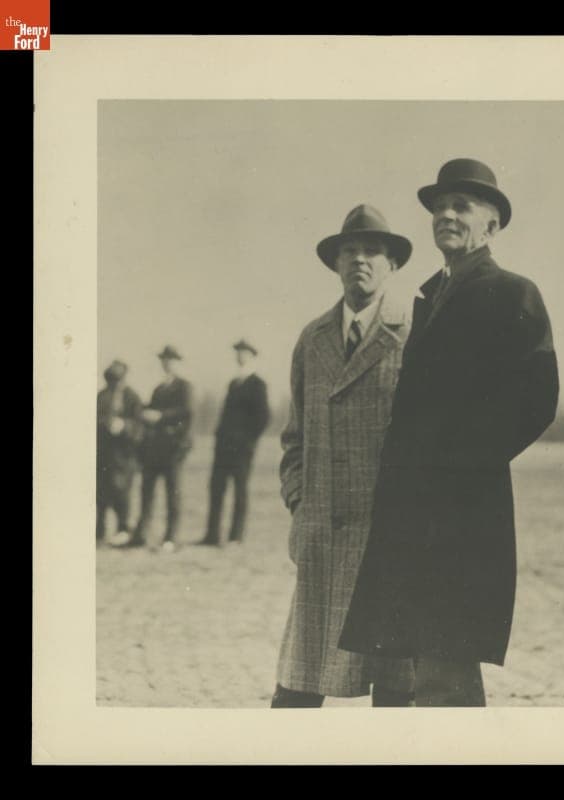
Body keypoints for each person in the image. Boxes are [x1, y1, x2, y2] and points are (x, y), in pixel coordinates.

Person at [339, 158, 559, 706]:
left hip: (462, 513)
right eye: (438, 207)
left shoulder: (512, 292)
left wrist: (460, 466)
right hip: (408, 510)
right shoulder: (428, 296)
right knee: (397, 665)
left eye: (461, 206)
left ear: (493, 224)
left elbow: (536, 401)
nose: (446, 215)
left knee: (446, 665)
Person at [273, 204, 417, 708]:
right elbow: (293, 440)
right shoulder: (312, 340)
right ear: (335, 263)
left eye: (373, 251)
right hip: (321, 538)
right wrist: (300, 504)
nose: (360, 259)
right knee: (297, 686)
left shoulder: (414, 331)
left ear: (392, 264)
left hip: (390, 537)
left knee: (396, 688)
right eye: (349, 250)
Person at [123, 346, 194, 552]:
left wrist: (160, 416)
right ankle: (141, 534)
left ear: (178, 363)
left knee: (173, 494)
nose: (166, 363)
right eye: (164, 360)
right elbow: (149, 410)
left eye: (170, 360)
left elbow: (186, 412)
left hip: (174, 448)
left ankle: (170, 538)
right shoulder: (158, 388)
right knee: (146, 491)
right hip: (154, 449)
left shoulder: (184, 387)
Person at [201, 339, 271, 547]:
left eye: (244, 353)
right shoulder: (233, 383)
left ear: (252, 356)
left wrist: (247, 441)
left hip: (242, 449)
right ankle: (212, 536)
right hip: (223, 447)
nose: (240, 356)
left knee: (240, 490)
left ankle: (235, 537)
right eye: (238, 353)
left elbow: (263, 417)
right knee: (216, 489)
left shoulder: (257, 384)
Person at [96, 359, 144, 545]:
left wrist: (124, 426)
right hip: (104, 454)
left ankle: (123, 529)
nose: (115, 384)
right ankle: (99, 531)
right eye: (112, 380)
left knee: (122, 493)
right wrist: (105, 424)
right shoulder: (101, 396)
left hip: (125, 456)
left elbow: (139, 427)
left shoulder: (132, 397)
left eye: (118, 380)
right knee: (101, 494)